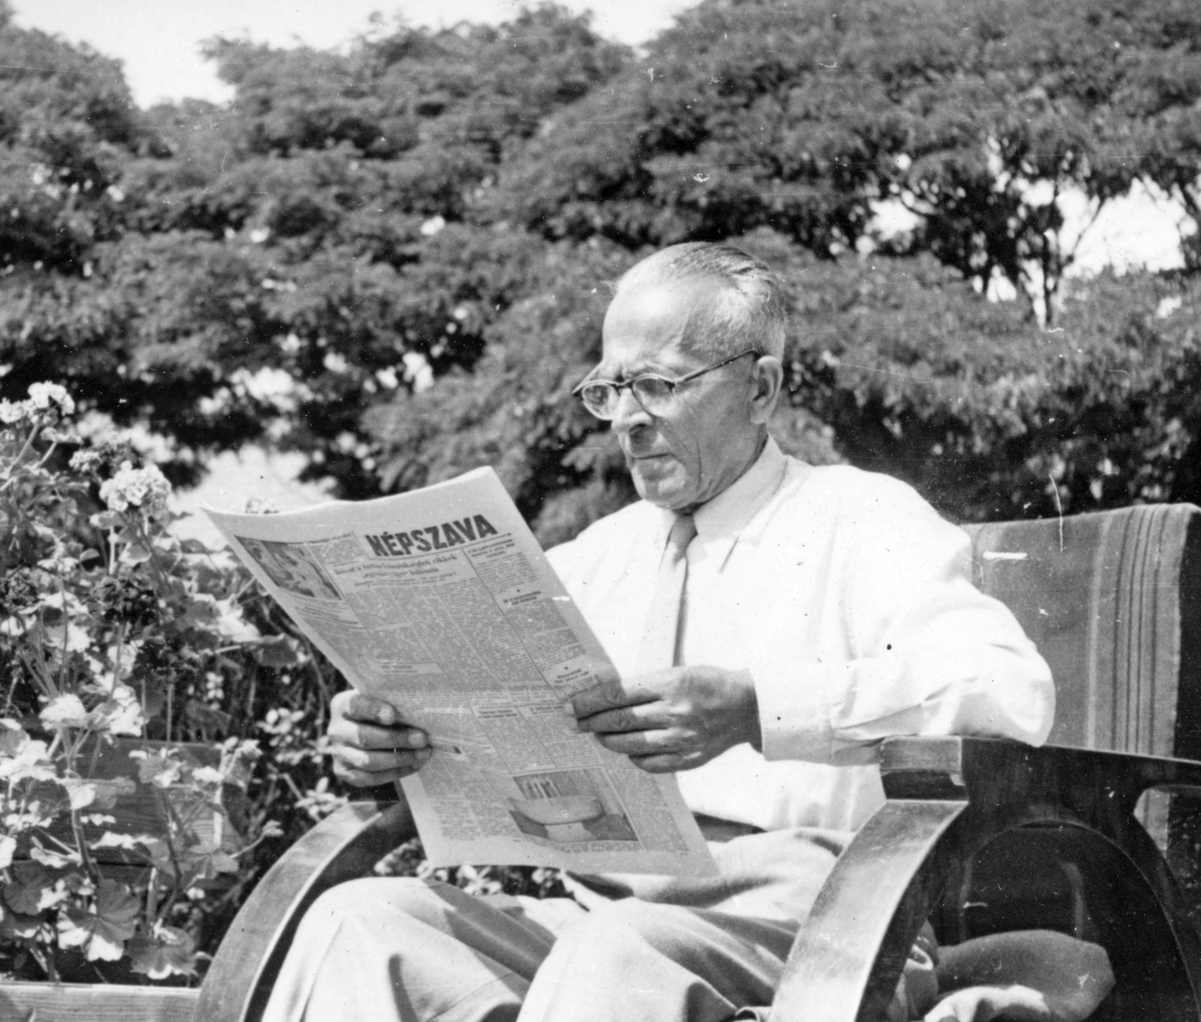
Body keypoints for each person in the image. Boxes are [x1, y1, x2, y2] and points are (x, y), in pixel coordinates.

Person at [264, 243, 1108, 1022]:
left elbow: (1008, 691)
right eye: (609, 390)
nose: (625, 419)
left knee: (619, 953)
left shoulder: (861, 517)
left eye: (659, 386)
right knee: (360, 921)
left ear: (761, 389)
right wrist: (386, 741)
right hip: (602, 907)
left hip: (819, 921)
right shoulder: (594, 556)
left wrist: (757, 708)